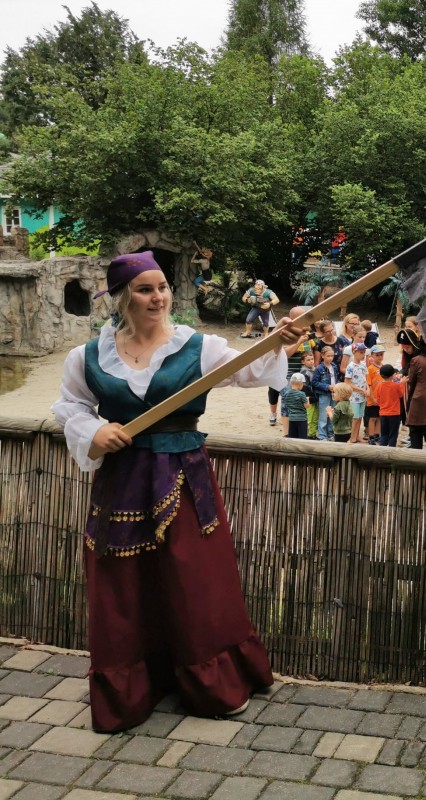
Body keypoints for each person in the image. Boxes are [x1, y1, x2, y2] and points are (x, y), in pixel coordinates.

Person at [51, 250, 304, 733]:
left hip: (185, 479)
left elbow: (249, 369)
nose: (158, 297)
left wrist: (279, 341)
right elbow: (70, 407)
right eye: (145, 289)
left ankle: (210, 682)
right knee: (124, 581)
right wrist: (94, 430)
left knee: (194, 577)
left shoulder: (198, 347)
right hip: (123, 479)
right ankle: (131, 687)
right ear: (123, 297)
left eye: (162, 287)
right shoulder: (87, 356)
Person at [311, 345, 341, 440]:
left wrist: (338, 385)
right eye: (328, 356)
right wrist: (327, 387)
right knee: (323, 415)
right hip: (324, 394)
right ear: (323, 356)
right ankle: (322, 435)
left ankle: (330, 433)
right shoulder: (319, 368)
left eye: (332, 356)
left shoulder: (334, 366)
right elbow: (314, 382)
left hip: (334, 394)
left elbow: (336, 378)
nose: (330, 358)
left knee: (332, 413)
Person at [375, 364, 407, 447]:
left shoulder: (379, 386)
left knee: (384, 434)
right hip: (394, 414)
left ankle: (382, 450)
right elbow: (401, 394)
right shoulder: (395, 385)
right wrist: (402, 383)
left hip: (383, 413)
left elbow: (377, 399)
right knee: (393, 434)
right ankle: (391, 450)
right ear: (393, 374)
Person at [343, 343, 369, 442]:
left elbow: (366, 379)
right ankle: (352, 437)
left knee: (359, 417)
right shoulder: (350, 366)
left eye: (364, 352)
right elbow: (347, 383)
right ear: (354, 353)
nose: (363, 355)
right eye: (361, 352)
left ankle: (357, 436)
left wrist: (368, 389)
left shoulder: (363, 365)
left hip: (363, 396)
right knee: (355, 418)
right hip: (354, 396)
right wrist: (361, 390)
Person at [282, 372, 311, 439]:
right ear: (300, 384)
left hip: (292, 418)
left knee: (293, 437)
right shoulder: (302, 394)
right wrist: (308, 400)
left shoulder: (287, 393)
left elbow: (286, 404)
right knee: (302, 438)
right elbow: (306, 406)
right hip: (302, 419)